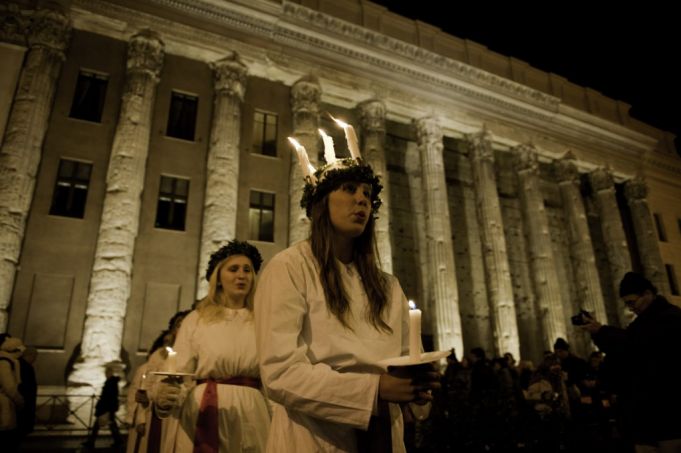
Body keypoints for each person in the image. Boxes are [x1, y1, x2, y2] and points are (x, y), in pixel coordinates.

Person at [255, 131, 440, 453]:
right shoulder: (289, 268)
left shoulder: (387, 286)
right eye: (350, 189)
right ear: (321, 203)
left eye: (368, 194)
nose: (362, 200)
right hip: (314, 434)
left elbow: (399, 360)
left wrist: (415, 385)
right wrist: (374, 389)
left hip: (383, 432)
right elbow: (280, 372)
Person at [156, 241, 270, 452]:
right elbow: (179, 369)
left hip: (252, 411)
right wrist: (165, 396)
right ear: (218, 279)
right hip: (205, 407)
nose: (242, 275)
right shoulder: (197, 319)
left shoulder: (264, 320)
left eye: (247, 270)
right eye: (233, 269)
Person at [580, 271, 681, 453]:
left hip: (668, 412)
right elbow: (625, 349)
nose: (630, 308)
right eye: (627, 304)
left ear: (648, 294)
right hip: (645, 416)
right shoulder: (642, 323)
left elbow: (637, 346)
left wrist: (602, 331)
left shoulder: (670, 318)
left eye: (632, 302)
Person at [84, 361, 124, 450]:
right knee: (109, 424)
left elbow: (109, 396)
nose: (105, 374)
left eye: (106, 372)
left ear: (110, 373)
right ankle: (118, 441)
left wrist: (107, 409)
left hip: (106, 407)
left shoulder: (111, 382)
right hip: (107, 407)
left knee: (103, 425)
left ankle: (91, 442)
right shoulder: (111, 382)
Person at [0, 334, 25, 452]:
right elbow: (9, 387)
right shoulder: (4, 363)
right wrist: (20, 401)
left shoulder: (8, 361)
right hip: (3, 404)